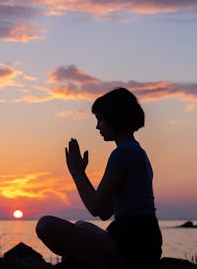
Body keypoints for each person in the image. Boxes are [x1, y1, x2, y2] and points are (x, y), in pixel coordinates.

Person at [36, 87, 162, 268]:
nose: (97, 126)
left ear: (114, 119)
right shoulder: (137, 152)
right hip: (144, 240)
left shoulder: (123, 153)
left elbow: (95, 208)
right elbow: (105, 212)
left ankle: (98, 263)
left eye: (100, 119)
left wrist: (77, 173)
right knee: (81, 225)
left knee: (45, 225)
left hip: (133, 245)